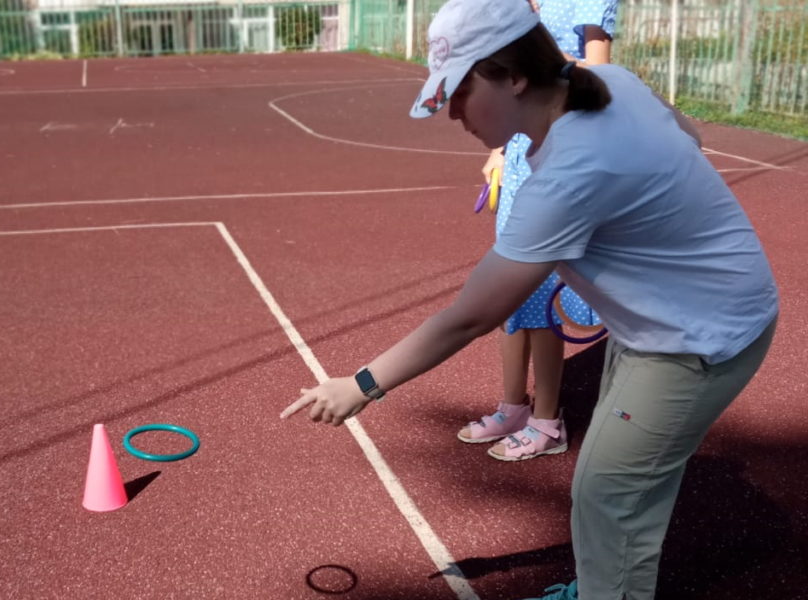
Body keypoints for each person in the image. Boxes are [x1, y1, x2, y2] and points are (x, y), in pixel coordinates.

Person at [280, 0, 779, 598]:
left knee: (608, 491)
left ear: (513, 76)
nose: (451, 112)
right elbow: (688, 135)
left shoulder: (571, 172)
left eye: (459, 91)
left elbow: (473, 315)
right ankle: (605, 581)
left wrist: (359, 385)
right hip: (684, 314)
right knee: (625, 481)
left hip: (700, 335)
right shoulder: (610, 83)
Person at [458, 0, 618, 462]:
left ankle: (548, 420)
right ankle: (513, 407)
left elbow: (601, 73)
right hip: (522, 148)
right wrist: (500, 152)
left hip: (559, 150)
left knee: (542, 283)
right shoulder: (529, 5)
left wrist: (542, 67)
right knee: (512, 290)